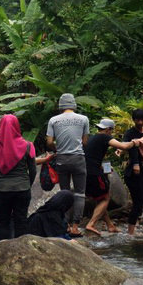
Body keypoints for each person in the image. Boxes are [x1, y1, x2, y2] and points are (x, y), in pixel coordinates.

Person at [83, 118, 137, 236]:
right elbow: (123, 146)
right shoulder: (104, 137)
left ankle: (110, 225)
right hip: (93, 173)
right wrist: (134, 142)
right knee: (105, 198)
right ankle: (91, 224)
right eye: (111, 131)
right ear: (108, 130)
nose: (111, 133)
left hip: (85, 172)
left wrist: (102, 168)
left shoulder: (92, 138)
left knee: (100, 199)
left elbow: (91, 157)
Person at [46, 93, 90, 237]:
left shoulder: (53, 120)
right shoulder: (83, 119)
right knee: (80, 193)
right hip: (78, 159)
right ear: (73, 104)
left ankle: (65, 225)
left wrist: (57, 149)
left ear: (61, 105)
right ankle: (76, 226)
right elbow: (84, 142)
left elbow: (49, 142)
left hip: (62, 159)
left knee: (64, 192)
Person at [0, 114, 36, 241]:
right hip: (22, 188)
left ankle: (1, 251)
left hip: (1, 189)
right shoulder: (28, 146)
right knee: (21, 220)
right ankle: (22, 252)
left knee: (2, 221)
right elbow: (33, 171)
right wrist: (27, 185)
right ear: (16, 126)